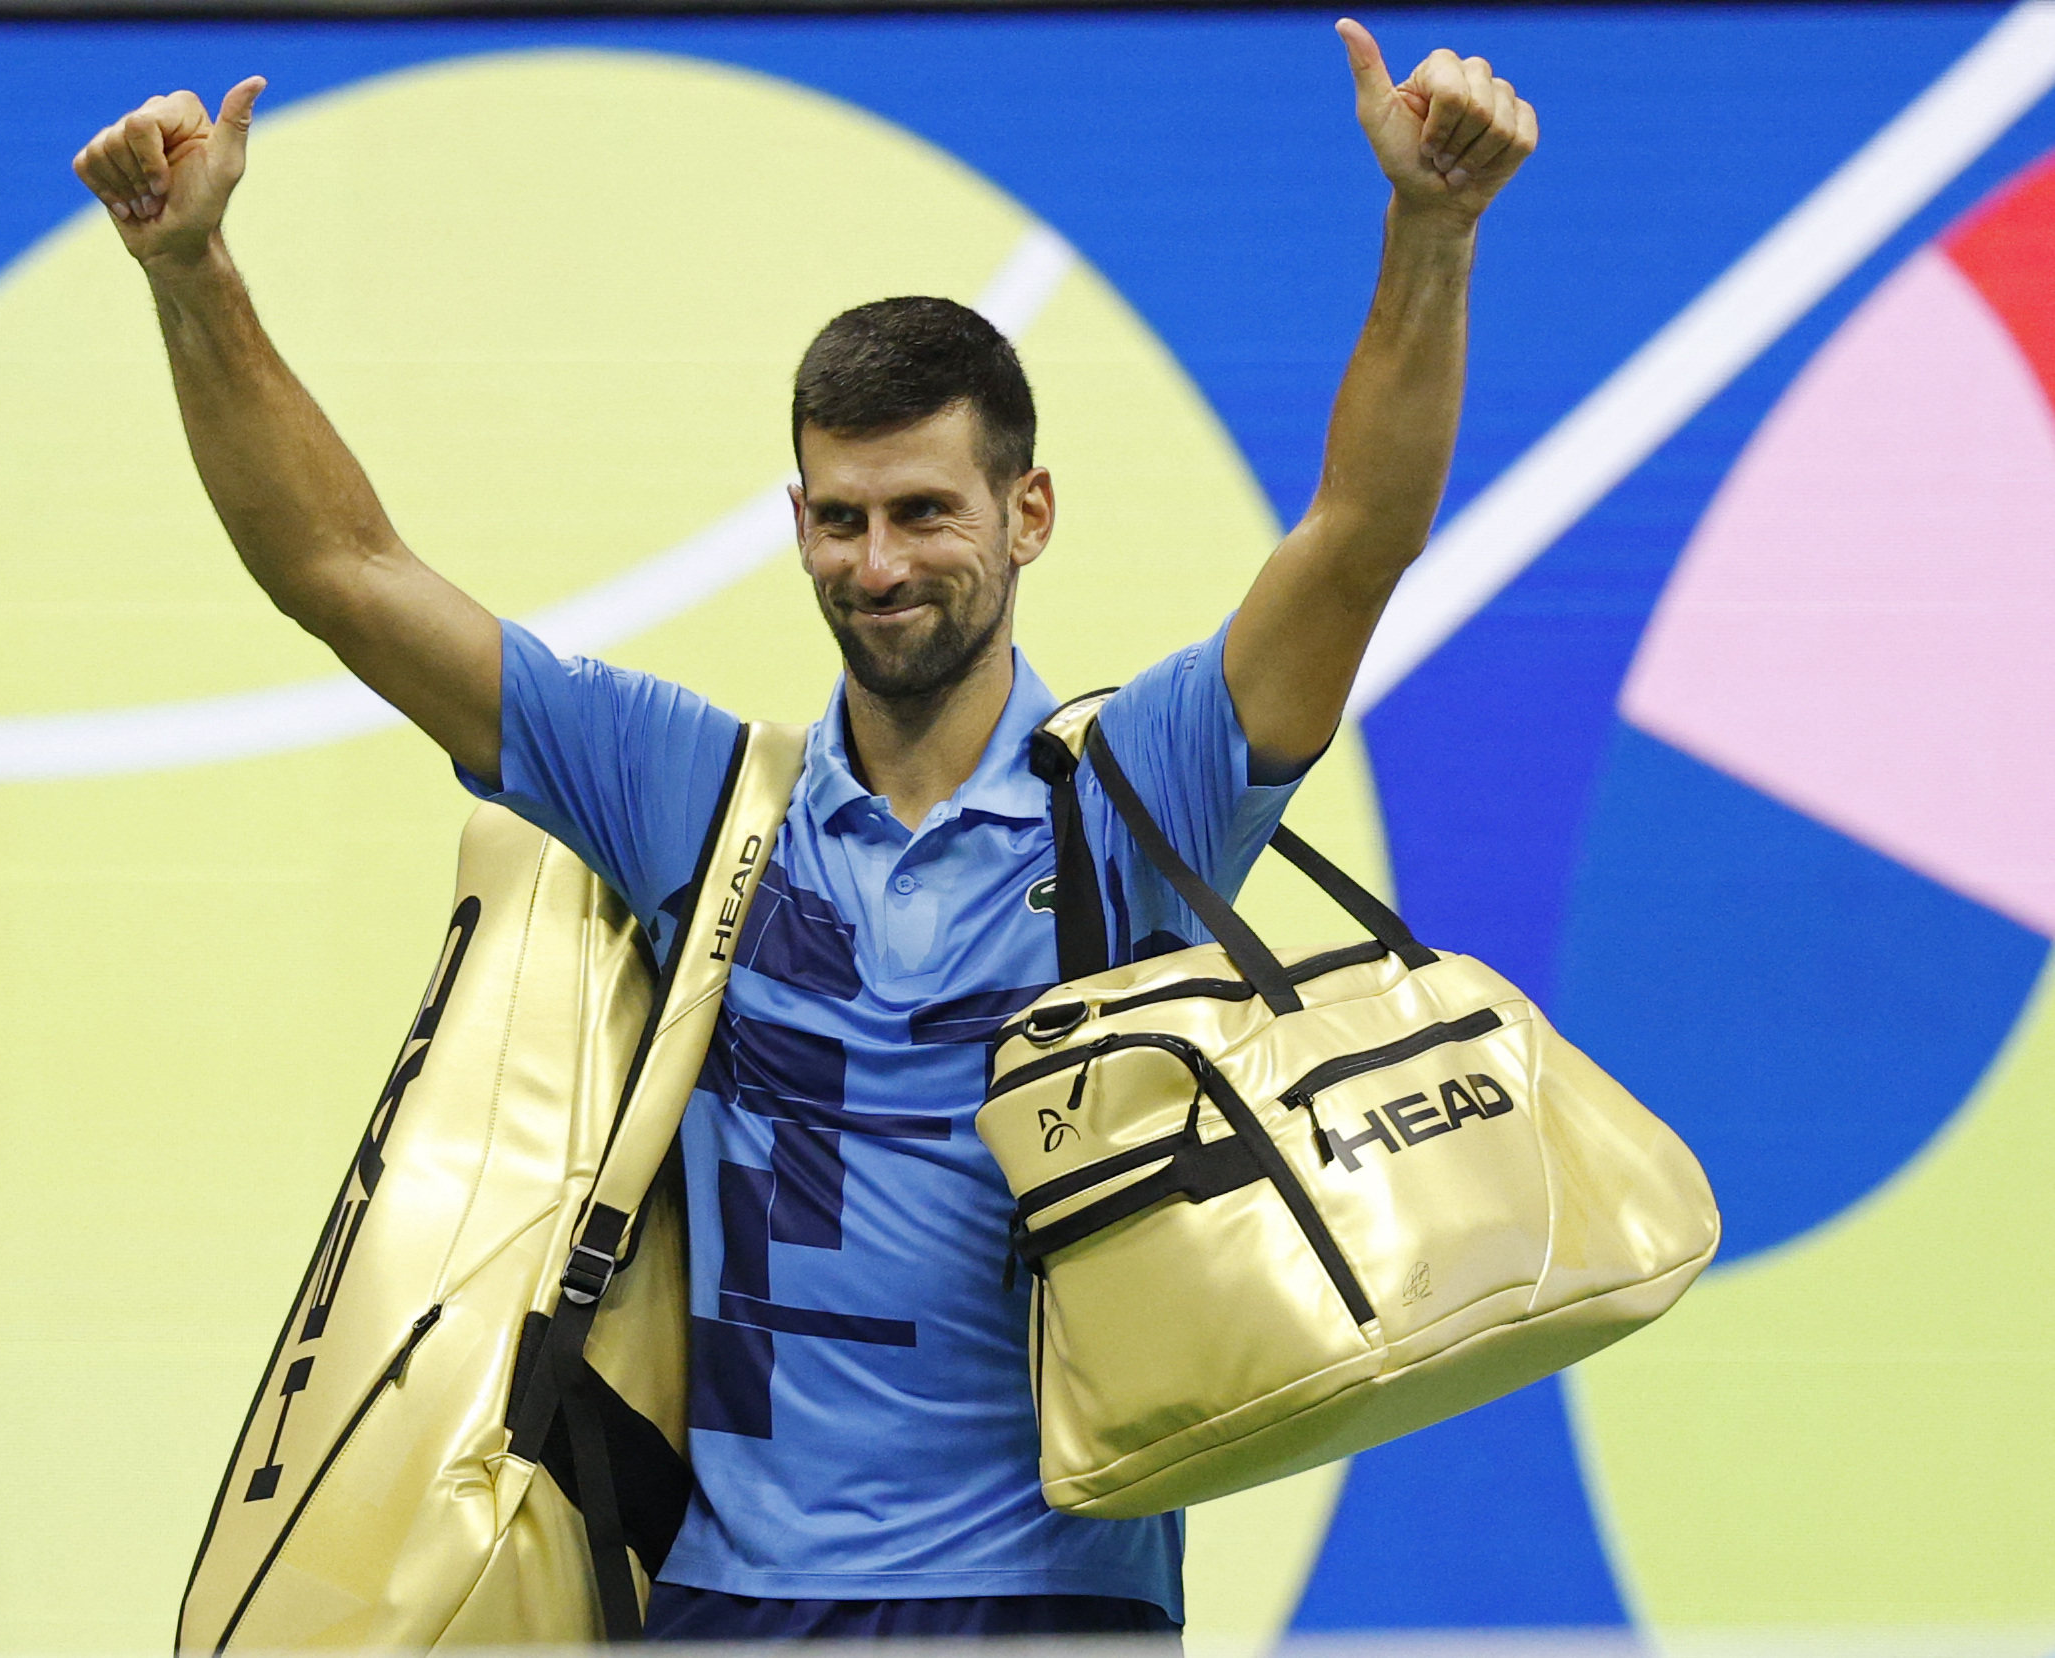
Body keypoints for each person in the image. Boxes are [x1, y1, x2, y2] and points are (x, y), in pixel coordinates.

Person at [75, 19, 1534, 1642]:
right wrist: (189, 275)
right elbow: (341, 572)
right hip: (731, 1606)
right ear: (794, 525)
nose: (877, 561)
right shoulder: (688, 790)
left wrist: (1430, 231)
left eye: (924, 512)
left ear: (1025, 514)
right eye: (837, 517)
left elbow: (1355, 537)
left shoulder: (1138, 782)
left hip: (1045, 1605)